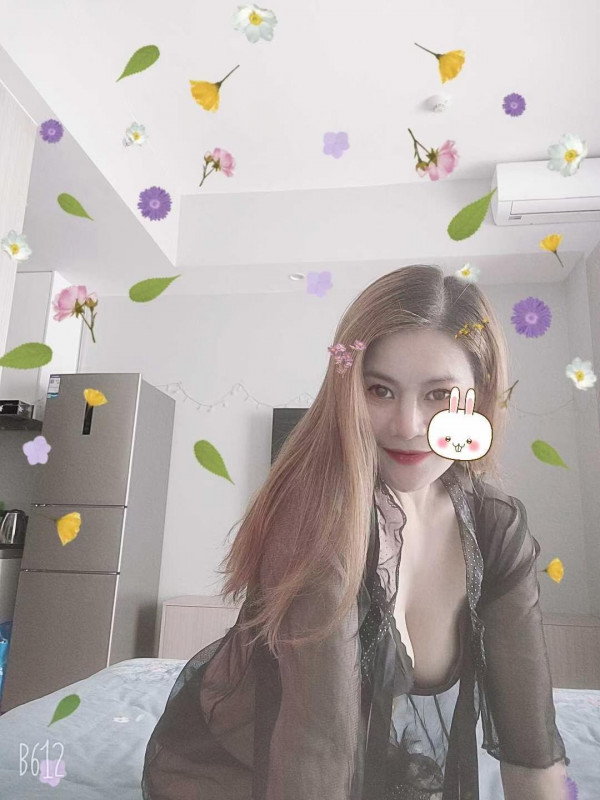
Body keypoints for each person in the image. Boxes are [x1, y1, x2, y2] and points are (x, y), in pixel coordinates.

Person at [141, 265, 570, 799]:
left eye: (439, 395)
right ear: (348, 391)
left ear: (479, 399)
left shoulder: (496, 527)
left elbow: (531, 742)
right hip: (236, 769)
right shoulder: (318, 522)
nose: (407, 425)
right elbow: (316, 748)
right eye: (379, 389)